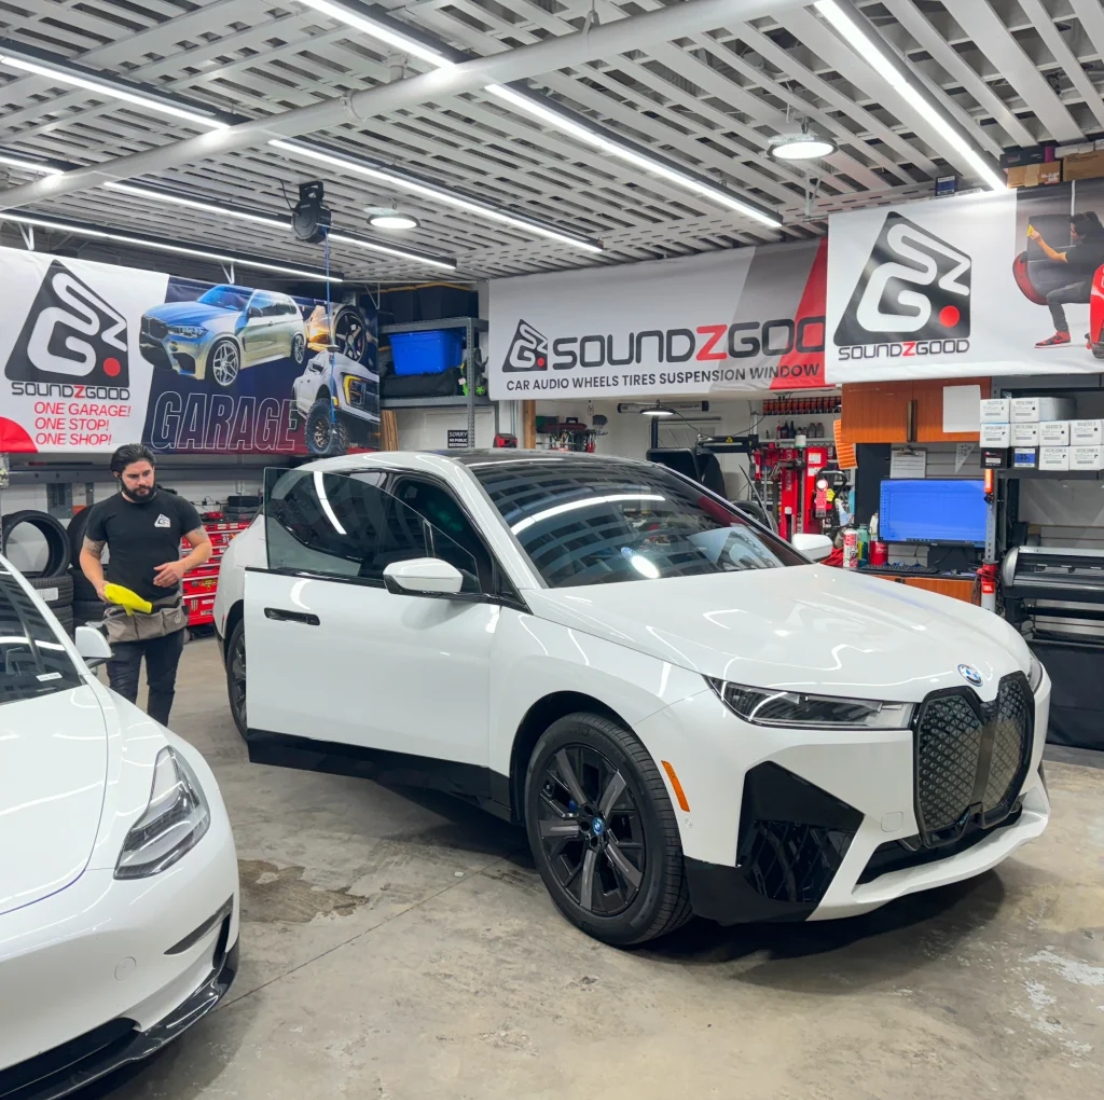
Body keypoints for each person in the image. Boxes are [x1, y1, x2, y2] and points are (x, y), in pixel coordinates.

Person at [79, 444, 212, 725]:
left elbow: (204, 546)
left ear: (154, 470)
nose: (142, 482)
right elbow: (89, 553)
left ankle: (159, 735)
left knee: (163, 687)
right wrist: (98, 583)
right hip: (123, 618)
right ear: (118, 476)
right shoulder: (104, 511)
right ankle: (127, 742)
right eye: (133, 476)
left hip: (167, 616)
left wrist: (182, 566)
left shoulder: (176, 506)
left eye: (147, 474)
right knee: (122, 691)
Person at [1030, 211, 1104, 348]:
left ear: (1082, 233)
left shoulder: (1083, 251)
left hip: (1094, 288)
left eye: (1073, 231)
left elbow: (1055, 256)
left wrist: (1040, 241)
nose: (1071, 233)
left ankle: (1062, 333)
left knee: (1052, 297)